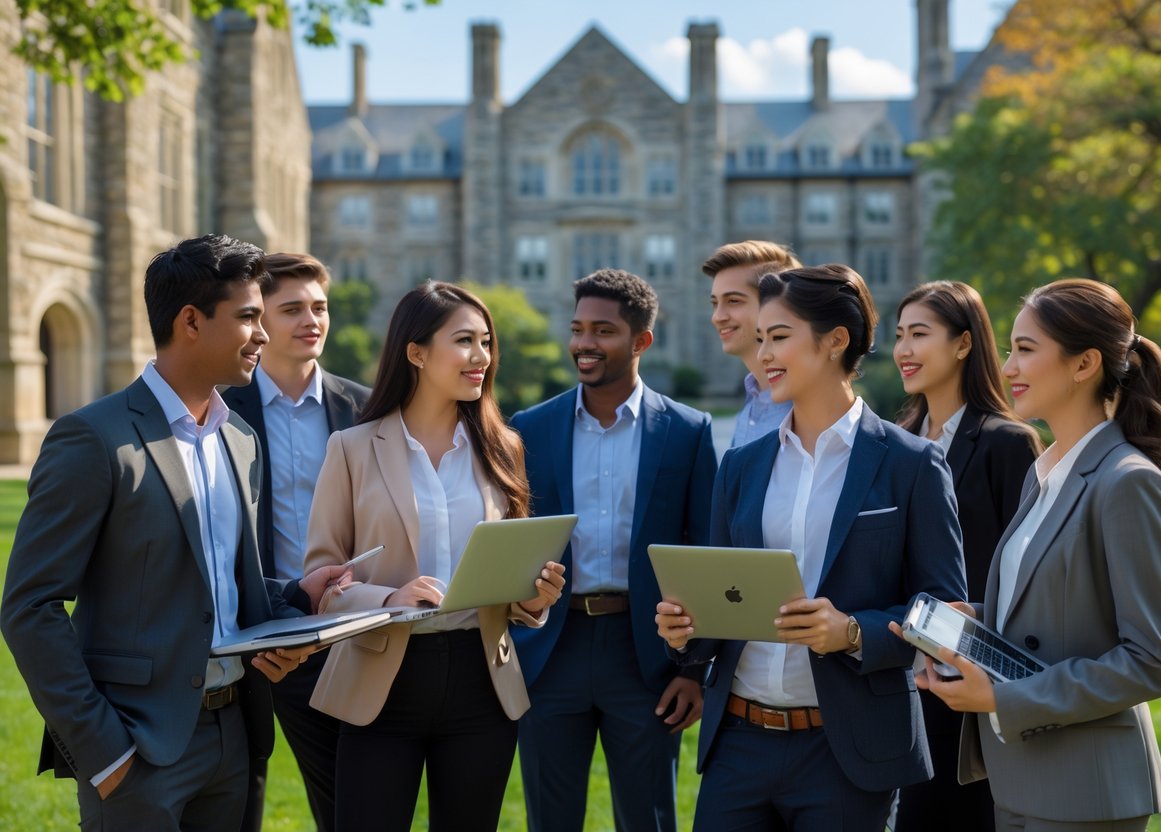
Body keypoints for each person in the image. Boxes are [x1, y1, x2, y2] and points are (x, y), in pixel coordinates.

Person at [0, 234, 341, 831]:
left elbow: (213, 584)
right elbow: (30, 605)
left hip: (235, 738)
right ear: (190, 321)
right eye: (248, 317)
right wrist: (103, 752)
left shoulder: (239, 438)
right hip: (137, 751)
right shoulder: (93, 438)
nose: (263, 334)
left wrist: (298, 597)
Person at [656, 264, 967, 830]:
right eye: (761, 340)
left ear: (834, 342)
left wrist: (851, 633)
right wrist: (687, 628)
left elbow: (945, 613)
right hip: (738, 747)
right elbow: (724, 598)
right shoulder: (741, 466)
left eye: (778, 337)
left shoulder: (913, 465)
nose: (764, 354)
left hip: (848, 751)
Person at [908, 279, 1161, 831]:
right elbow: (1058, 620)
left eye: (1026, 350)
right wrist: (976, 628)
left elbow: (1152, 662)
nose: (1007, 366)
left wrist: (1005, 699)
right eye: (1011, 348)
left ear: (1084, 364)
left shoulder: (1127, 482)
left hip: (1087, 791)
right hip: (1016, 781)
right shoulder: (1045, 473)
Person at [301, 281, 566, 832]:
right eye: (464, 340)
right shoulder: (351, 449)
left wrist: (532, 597)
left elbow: (508, 574)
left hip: (481, 682)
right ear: (416, 352)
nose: (481, 357)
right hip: (382, 683)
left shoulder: (503, 447)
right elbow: (320, 585)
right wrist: (390, 598)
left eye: (486, 342)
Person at [510, 269, 717, 831]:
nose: (584, 344)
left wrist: (693, 668)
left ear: (641, 341)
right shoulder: (529, 428)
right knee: (549, 820)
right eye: (577, 329)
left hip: (646, 657)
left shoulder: (688, 430)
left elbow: (703, 549)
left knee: (648, 820)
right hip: (551, 653)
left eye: (603, 331)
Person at [222, 252, 371, 832]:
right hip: (251, 633)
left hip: (348, 633)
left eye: (320, 307)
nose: (313, 320)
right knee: (236, 800)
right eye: (293, 309)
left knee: (351, 807)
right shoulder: (216, 408)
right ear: (259, 320)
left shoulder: (364, 407)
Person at [891, 281, 1041, 832]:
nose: (904, 349)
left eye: (920, 334)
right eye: (899, 335)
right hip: (892, 679)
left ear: (962, 344)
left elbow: (1027, 574)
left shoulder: (1008, 443)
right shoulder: (894, 439)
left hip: (967, 682)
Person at [702, 240, 800, 447]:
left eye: (733, 301)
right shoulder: (750, 407)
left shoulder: (804, 412)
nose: (717, 317)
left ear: (775, 306)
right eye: (714, 303)